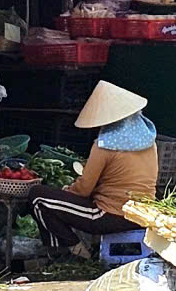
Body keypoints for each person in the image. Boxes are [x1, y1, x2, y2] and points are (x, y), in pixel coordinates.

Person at [30, 81, 159, 254]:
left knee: (37, 196)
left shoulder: (104, 146)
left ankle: (71, 250)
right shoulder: (150, 143)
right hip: (143, 214)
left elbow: (83, 189)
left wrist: (67, 190)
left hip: (110, 216)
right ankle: (67, 250)